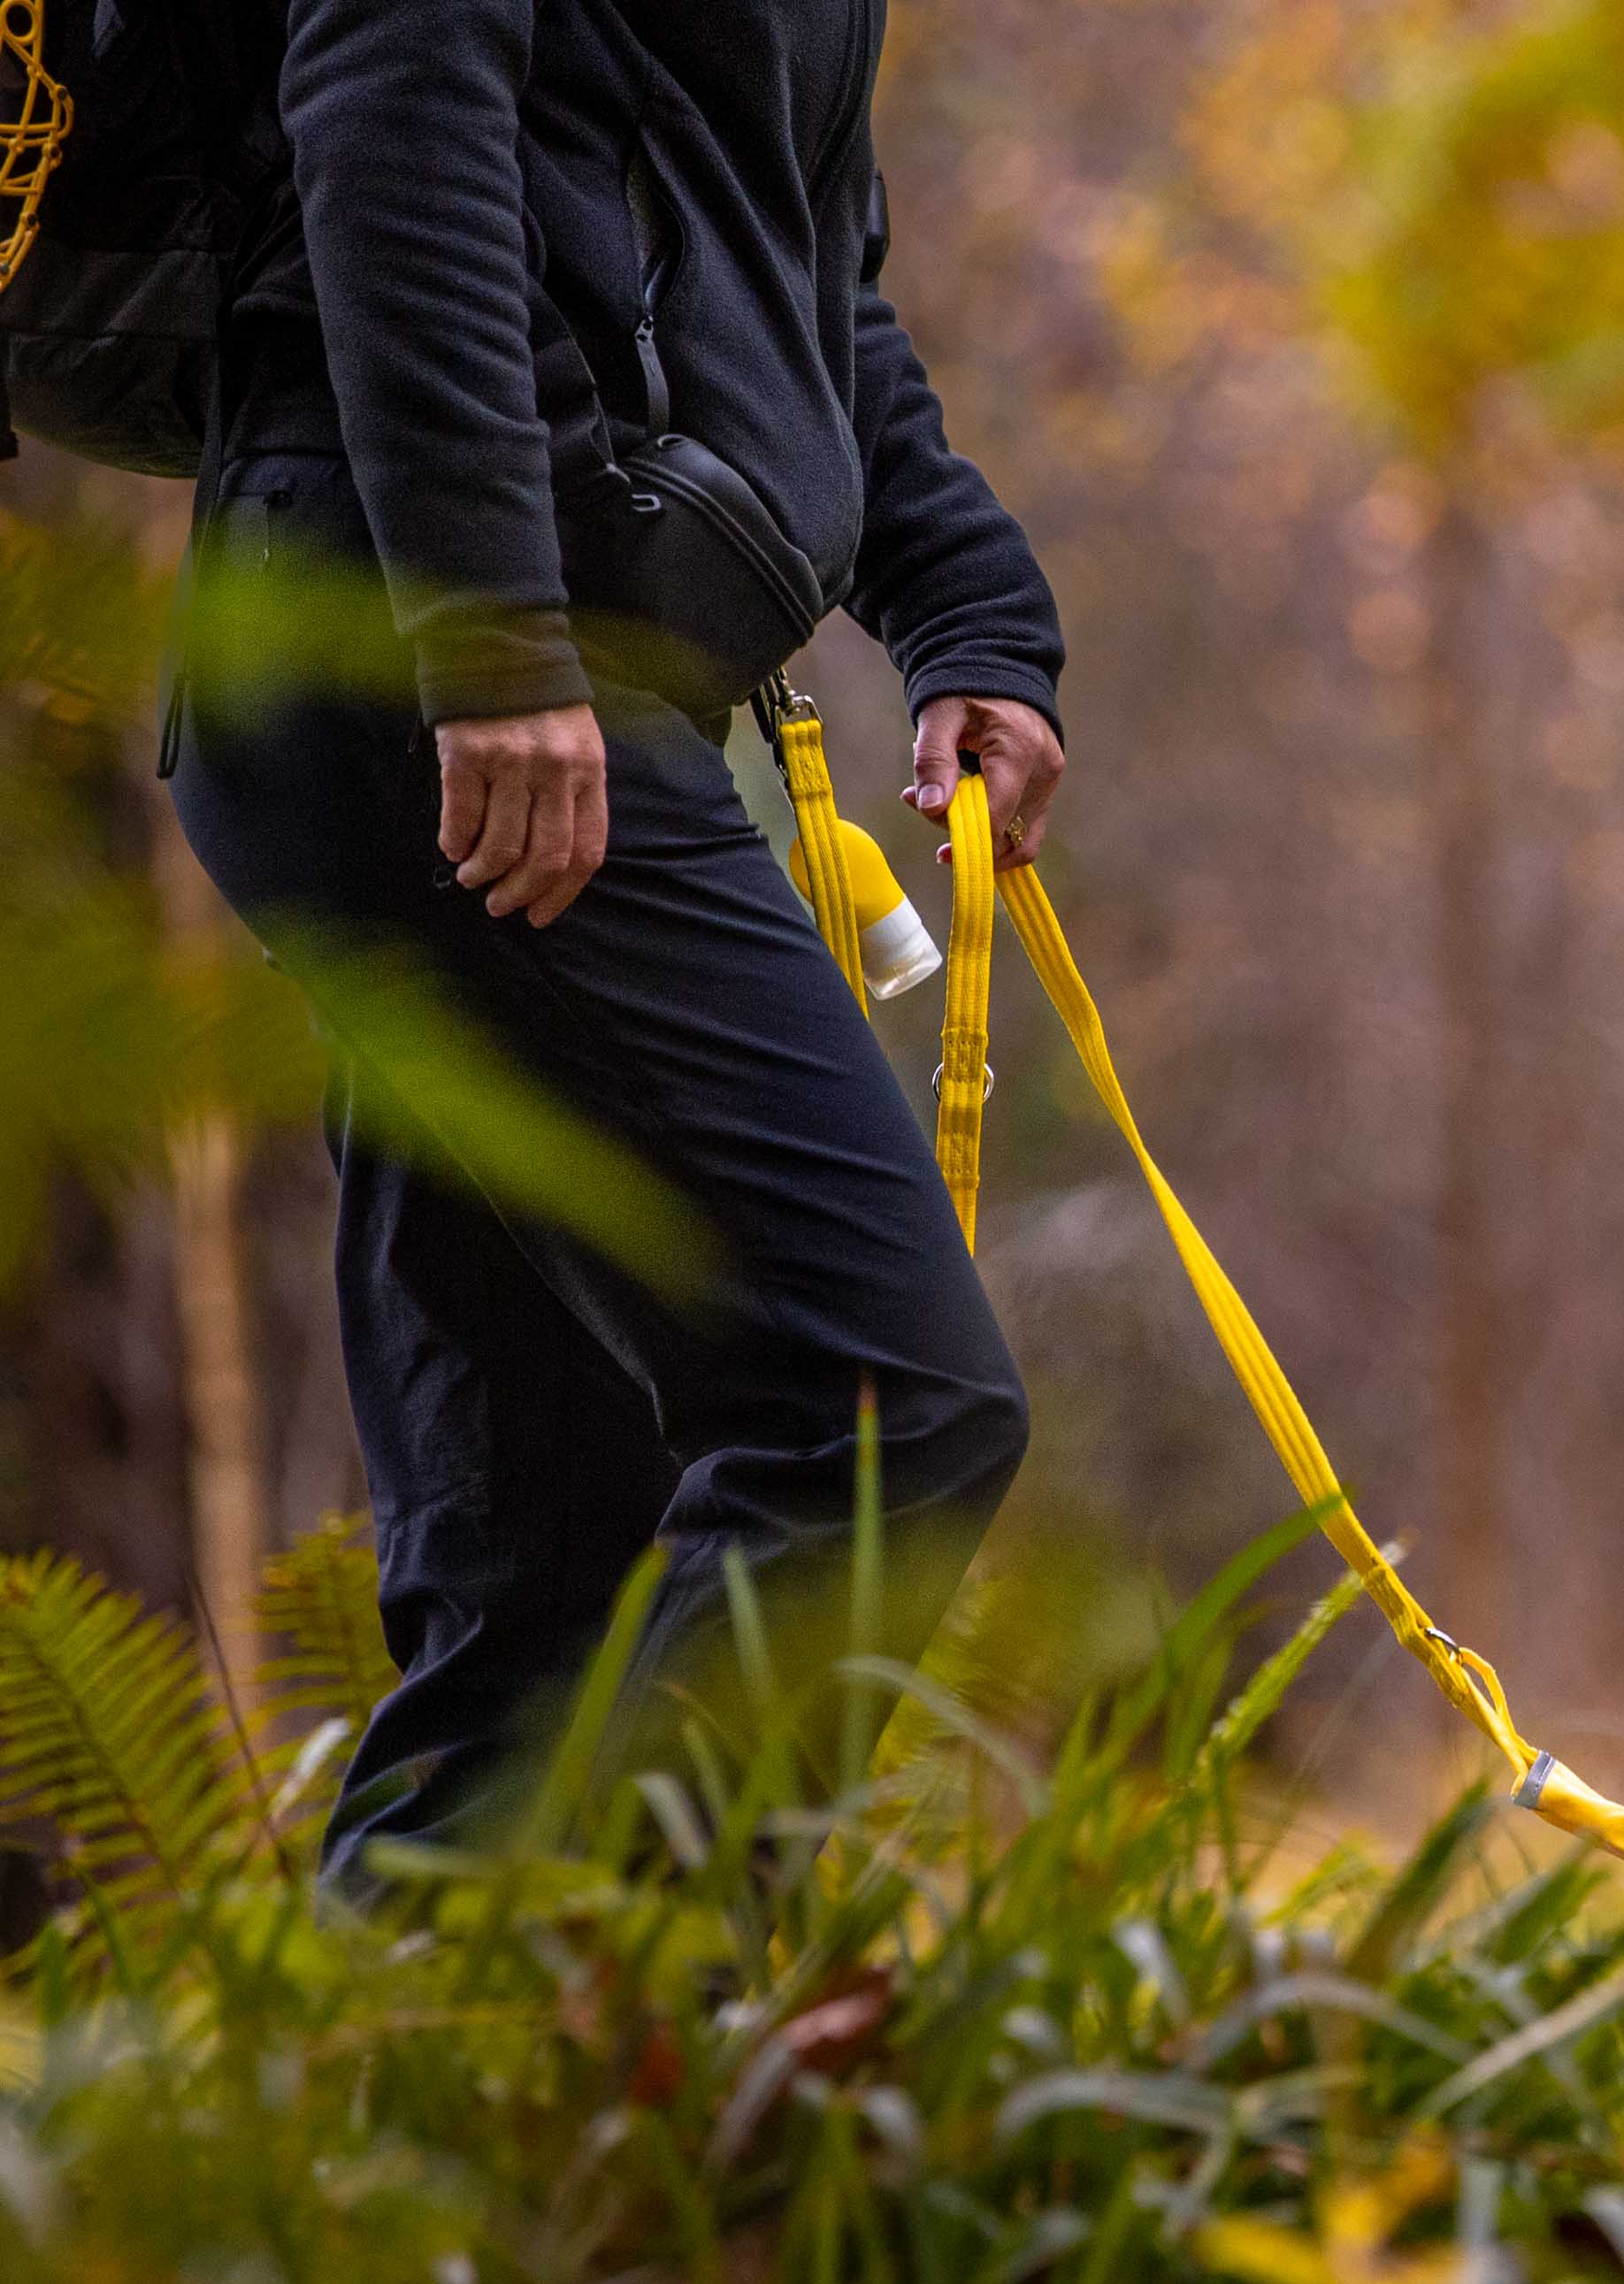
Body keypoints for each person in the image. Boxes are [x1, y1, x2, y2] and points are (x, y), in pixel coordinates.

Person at [169, 3, 1058, 1887]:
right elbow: (390, 115)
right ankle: (628, 2012)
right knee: (883, 1414)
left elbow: (796, 273)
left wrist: (967, 607)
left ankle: (401, 2057)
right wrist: (492, 639)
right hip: (436, 668)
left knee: (544, 1561)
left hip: (499, 676)